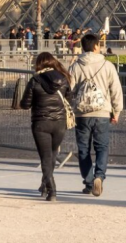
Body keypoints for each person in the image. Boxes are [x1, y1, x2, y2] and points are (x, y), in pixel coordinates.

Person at [69, 33, 124, 197]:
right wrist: (117, 111)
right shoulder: (107, 65)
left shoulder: (76, 66)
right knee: (102, 147)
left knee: (83, 149)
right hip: (102, 112)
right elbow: (116, 90)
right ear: (95, 46)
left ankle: (89, 181)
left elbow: (69, 90)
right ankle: (99, 176)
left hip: (82, 114)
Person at [20, 52, 73, 202]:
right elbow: (69, 100)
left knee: (45, 157)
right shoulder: (64, 78)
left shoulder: (35, 80)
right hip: (60, 123)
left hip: (41, 123)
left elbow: (25, 104)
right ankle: (45, 184)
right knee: (52, 153)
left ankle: (52, 190)